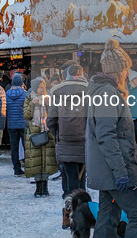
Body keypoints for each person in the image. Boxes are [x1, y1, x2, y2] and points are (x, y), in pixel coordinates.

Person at [85, 38, 137, 237]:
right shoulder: (107, 93)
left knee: (108, 216)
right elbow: (106, 135)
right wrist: (120, 171)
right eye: (125, 69)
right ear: (118, 71)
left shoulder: (105, 91)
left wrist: (132, 150)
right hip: (113, 170)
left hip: (108, 168)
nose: (127, 74)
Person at [47, 64, 88, 198]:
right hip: (84, 141)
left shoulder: (57, 92)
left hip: (64, 140)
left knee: (70, 175)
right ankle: (81, 207)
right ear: (81, 74)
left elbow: (51, 120)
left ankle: (70, 202)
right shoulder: (89, 91)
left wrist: (58, 135)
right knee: (82, 177)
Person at [24, 78, 57, 197]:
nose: (42, 89)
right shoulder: (29, 98)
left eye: (43, 87)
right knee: (36, 161)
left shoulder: (48, 98)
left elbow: (54, 114)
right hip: (34, 134)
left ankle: (45, 187)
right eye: (40, 87)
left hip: (47, 132)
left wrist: (48, 104)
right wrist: (33, 104)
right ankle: (38, 188)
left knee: (46, 161)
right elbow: (26, 115)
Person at [5, 72, 27, 177]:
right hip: (23, 124)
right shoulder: (26, 94)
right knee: (27, 147)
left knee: (14, 148)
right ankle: (28, 167)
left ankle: (16, 169)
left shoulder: (6, 94)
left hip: (11, 124)